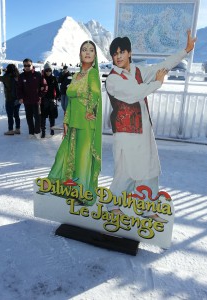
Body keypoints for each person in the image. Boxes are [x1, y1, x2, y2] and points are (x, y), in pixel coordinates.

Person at [105, 30, 196, 216]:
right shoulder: (113, 79)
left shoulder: (138, 72)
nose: (118, 56)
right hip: (125, 132)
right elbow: (133, 94)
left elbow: (161, 67)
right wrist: (157, 84)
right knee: (126, 170)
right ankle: (113, 206)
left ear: (129, 53)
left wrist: (185, 51)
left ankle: (148, 207)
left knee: (149, 166)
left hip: (143, 129)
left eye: (121, 52)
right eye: (115, 54)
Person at [44, 40, 102, 206]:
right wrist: (66, 120)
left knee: (82, 159)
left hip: (85, 123)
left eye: (91, 50)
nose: (88, 52)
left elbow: (96, 94)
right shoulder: (76, 75)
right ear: (80, 54)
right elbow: (69, 101)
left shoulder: (92, 74)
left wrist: (90, 110)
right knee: (64, 153)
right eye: (84, 49)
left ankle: (82, 194)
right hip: (73, 121)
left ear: (95, 55)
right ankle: (58, 184)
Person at [17, 58, 47, 139]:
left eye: (28, 65)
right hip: (26, 101)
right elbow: (19, 88)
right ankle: (31, 132)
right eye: (25, 65)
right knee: (29, 117)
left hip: (36, 100)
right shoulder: (21, 76)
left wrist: (40, 96)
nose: (26, 67)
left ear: (32, 65)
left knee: (37, 117)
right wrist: (20, 97)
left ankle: (37, 132)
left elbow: (44, 86)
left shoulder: (38, 75)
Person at [0, 64, 21, 135]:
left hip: (9, 99)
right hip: (18, 99)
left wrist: (1, 70)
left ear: (8, 69)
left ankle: (11, 130)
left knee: (10, 115)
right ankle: (18, 129)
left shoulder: (6, 77)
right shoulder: (18, 77)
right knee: (16, 115)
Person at [41, 62, 60, 138]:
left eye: (49, 70)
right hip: (43, 100)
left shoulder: (54, 78)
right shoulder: (41, 78)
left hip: (52, 99)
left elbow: (57, 88)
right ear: (44, 70)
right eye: (46, 70)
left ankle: (52, 130)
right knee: (43, 116)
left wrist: (58, 96)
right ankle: (43, 132)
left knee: (52, 116)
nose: (48, 72)